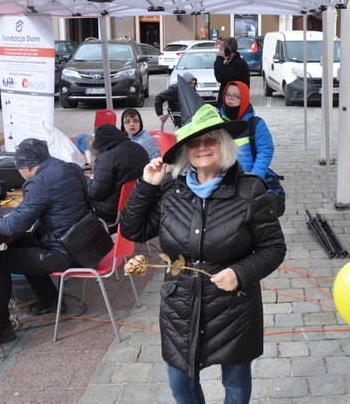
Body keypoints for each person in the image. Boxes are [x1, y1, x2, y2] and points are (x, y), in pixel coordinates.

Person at [121, 103, 286, 404]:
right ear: (185, 151)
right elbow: (133, 229)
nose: (202, 147)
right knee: (181, 386)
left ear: (223, 143)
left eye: (210, 139)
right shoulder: (172, 192)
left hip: (233, 309)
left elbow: (274, 247)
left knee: (235, 387)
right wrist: (147, 186)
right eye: (194, 142)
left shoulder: (250, 191)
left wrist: (240, 273)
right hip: (180, 307)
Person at [0, 139, 91, 351]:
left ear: (29, 167)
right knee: (18, 245)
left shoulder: (39, 182)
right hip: (82, 241)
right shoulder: (68, 167)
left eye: (19, 168)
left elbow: (13, 227)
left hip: (66, 251)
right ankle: (49, 300)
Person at [88, 124, 148, 223]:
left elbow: (97, 194)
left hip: (112, 211)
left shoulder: (107, 157)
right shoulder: (139, 148)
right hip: (137, 205)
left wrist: (87, 181)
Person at [219, 81, 273, 179]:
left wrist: (255, 176)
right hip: (220, 180)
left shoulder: (256, 124)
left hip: (247, 180)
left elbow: (265, 151)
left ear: (244, 99)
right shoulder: (217, 121)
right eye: (228, 94)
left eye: (235, 96)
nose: (230, 98)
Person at [214, 37, 250, 107]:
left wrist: (219, 58)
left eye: (221, 49)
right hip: (228, 104)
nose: (219, 52)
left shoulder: (238, 64)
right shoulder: (230, 63)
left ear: (229, 49)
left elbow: (220, 76)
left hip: (235, 105)